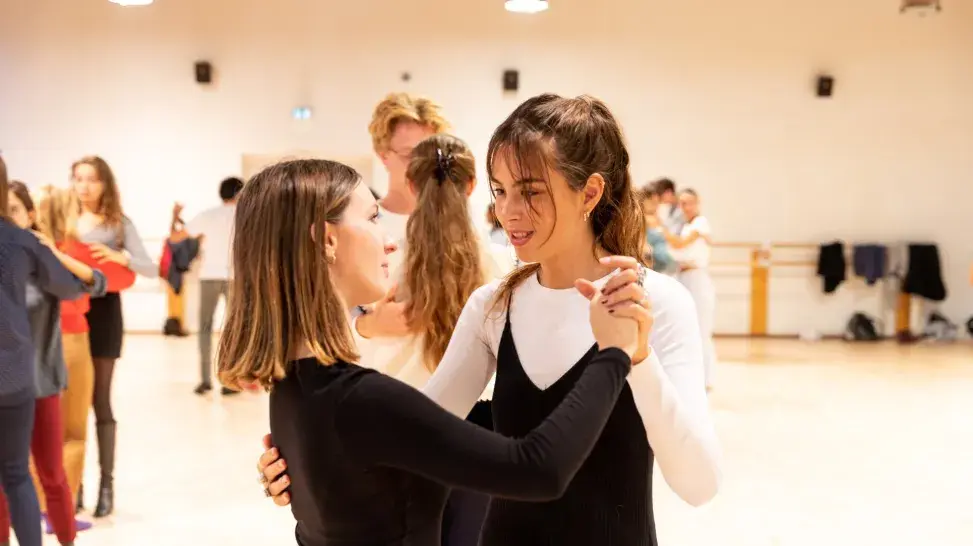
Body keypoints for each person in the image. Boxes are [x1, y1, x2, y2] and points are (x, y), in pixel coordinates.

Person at [258, 93, 722, 546]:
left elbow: (699, 486)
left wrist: (637, 357)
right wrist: (307, 468)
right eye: (500, 190)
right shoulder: (494, 306)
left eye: (531, 191)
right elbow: (415, 444)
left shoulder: (658, 302)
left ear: (590, 193)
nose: (508, 212)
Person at [218, 158, 648, 546]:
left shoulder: (292, 389)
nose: (390, 242)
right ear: (327, 240)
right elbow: (539, 471)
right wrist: (614, 353)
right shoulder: (362, 400)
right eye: (373, 218)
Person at [0, 158, 106, 546]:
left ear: (30, 215)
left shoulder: (34, 254)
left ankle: (64, 538)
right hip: (12, 383)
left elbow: (95, 283)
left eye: (16, 210)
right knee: (11, 477)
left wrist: (53, 253)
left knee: (48, 474)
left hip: (38, 382)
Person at [70, 155, 157, 517]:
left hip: (105, 314)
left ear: (105, 183)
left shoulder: (119, 223)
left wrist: (119, 257)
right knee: (71, 403)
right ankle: (73, 484)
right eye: (78, 178)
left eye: (92, 178)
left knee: (100, 401)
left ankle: (106, 486)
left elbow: (150, 268)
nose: (84, 186)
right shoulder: (64, 219)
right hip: (69, 314)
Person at [183, 177, 243, 395]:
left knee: (205, 328)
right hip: (235, 277)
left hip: (209, 275)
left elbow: (180, 235)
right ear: (240, 193)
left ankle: (205, 380)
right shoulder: (245, 215)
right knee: (234, 329)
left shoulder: (208, 215)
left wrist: (174, 216)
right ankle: (229, 381)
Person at [662, 188, 716, 390]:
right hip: (683, 276)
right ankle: (692, 376)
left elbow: (679, 245)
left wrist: (659, 227)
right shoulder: (685, 225)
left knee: (702, 329)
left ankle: (706, 379)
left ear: (697, 202)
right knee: (687, 329)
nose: (685, 207)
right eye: (682, 203)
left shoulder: (701, 223)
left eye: (689, 203)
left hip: (697, 278)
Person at [638, 183, 675, 274]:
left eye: (657, 202)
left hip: (663, 263)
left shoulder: (658, 218)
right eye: (653, 202)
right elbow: (641, 244)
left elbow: (670, 238)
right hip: (650, 262)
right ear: (643, 201)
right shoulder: (641, 218)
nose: (656, 205)